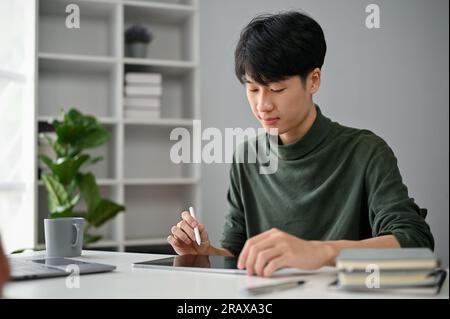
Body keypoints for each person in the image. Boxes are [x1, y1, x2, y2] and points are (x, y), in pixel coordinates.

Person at [167, 11, 434, 277]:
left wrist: (319, 252)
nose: (263, 105)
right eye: (253, 88)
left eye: (277, 89)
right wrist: (205, 255)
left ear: (314, 80)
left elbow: (415, 241)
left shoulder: (365, 151)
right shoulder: (247, 157)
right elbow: (235, 256)